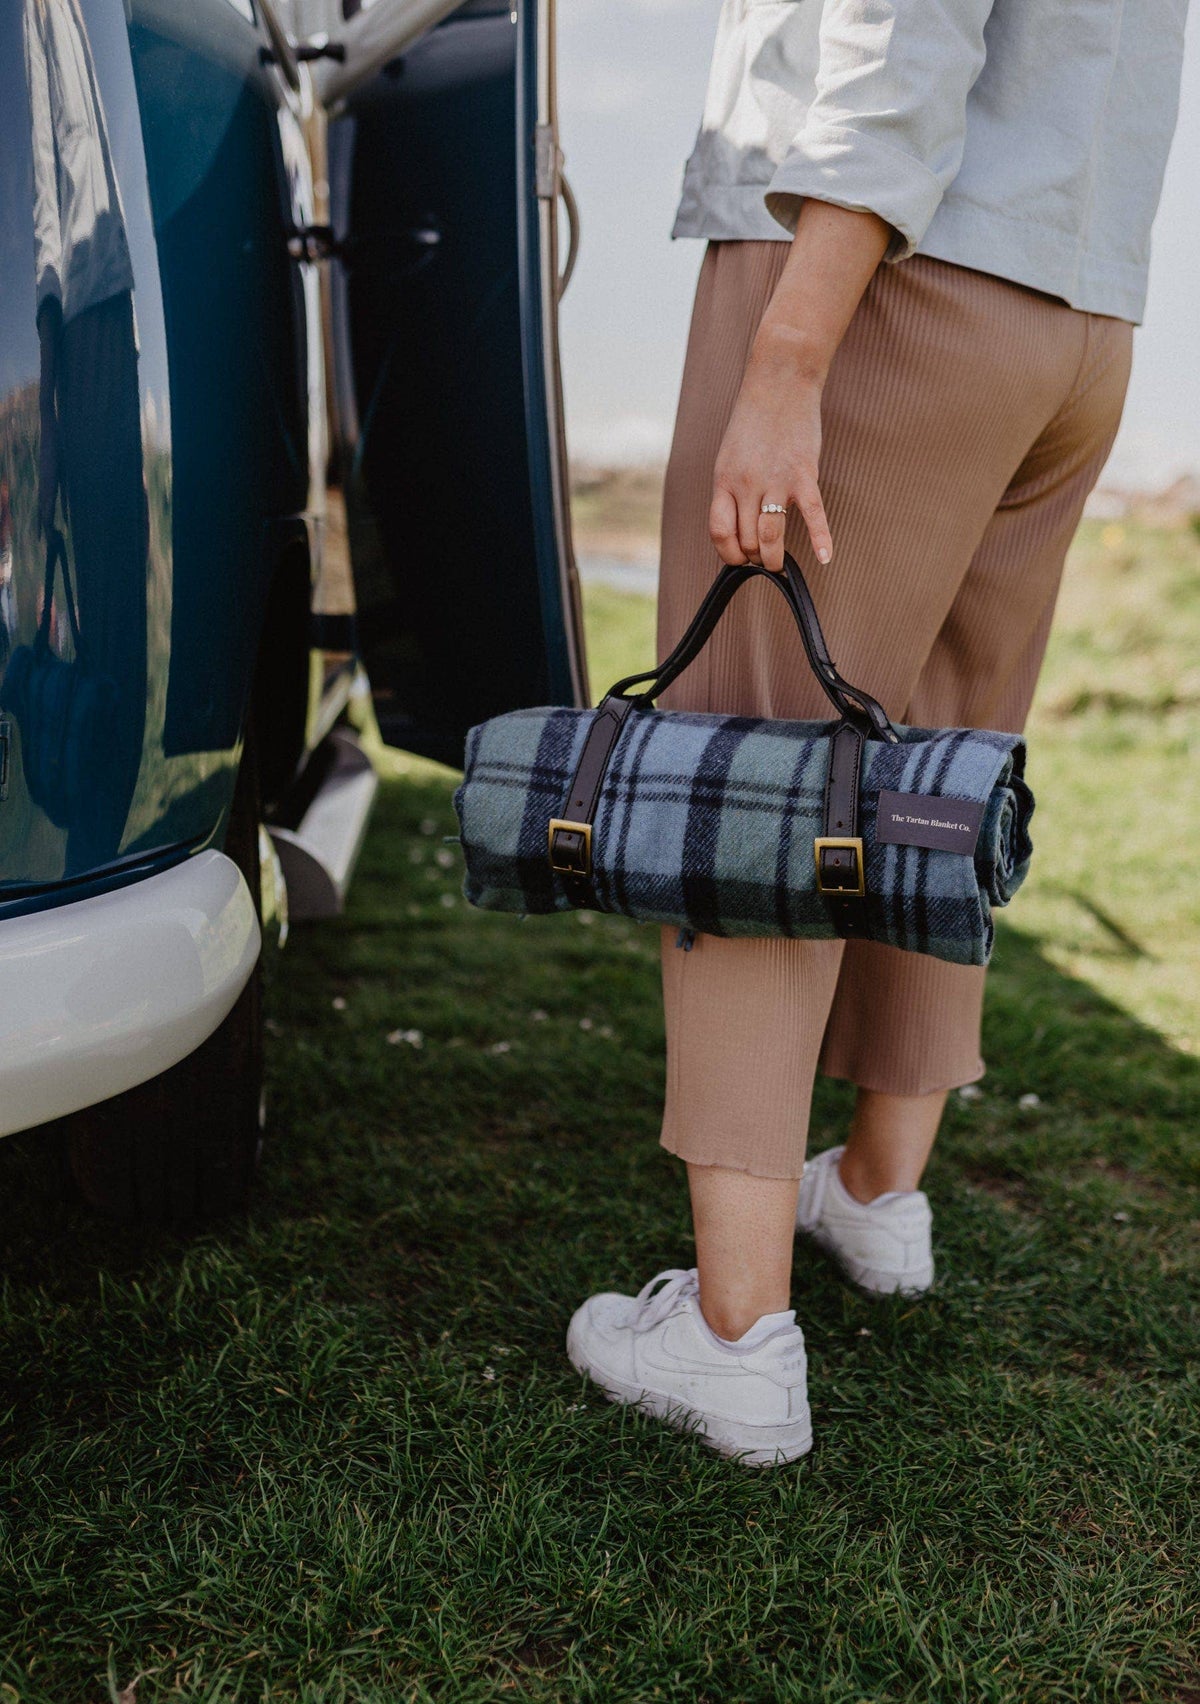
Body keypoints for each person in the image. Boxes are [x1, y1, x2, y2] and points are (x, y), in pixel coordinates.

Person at [566, 0, 1187, 1466]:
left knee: (755, 777)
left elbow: (899, 29)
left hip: (888, 273)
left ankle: (730, 1342)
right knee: (938, 769)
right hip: (1076, 304)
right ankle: (877, 1193)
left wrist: (789, 355)